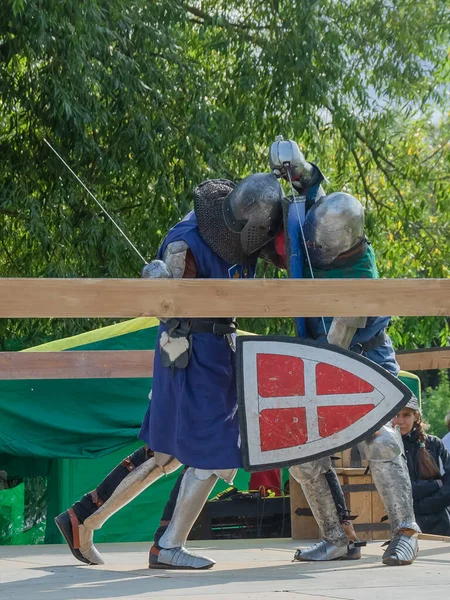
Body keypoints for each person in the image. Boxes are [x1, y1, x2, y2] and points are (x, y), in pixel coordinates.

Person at [55, 173, 285, 569]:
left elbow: (285, 254)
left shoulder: (248, 225)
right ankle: (168, 545)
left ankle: (82, 519)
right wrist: (163, 287)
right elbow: (168, 307)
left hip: (216, 351)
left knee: (167, 454)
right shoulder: (187, 240)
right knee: (215, 452)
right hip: (190, 351)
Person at [269, 138, 420, 566]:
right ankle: (338, 537)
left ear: (334, 246)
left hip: (362, 362)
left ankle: (405, 530)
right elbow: (316, 199)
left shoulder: (360, 282)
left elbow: (337, 348)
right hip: (323, 358)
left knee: (380, 440)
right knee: (302, 453)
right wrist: (297, 169)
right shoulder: (337, 231)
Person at [392, 398, 450, 535]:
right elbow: (397, 489)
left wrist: (421, 506)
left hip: (440, 523)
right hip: (405, 525)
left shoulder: (434, 444)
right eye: (396, 415)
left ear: (416, 416)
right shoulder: (388, 447)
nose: (400, 421)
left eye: (406, 415)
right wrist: (435, 484)